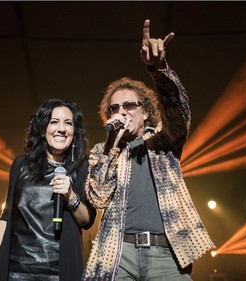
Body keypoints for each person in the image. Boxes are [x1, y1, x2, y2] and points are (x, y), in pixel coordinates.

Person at [82, 19, 215, 281]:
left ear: (145, 112)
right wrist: (111, 145)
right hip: (119, 255)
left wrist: (158, 69)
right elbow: (97, 198)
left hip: (166, 256)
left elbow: (180, 113)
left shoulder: (164, 141)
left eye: (129, 105)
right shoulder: (103, 150)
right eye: (114, 108)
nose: (121, 112)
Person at [0, 99, 96, 281]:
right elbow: (6, 216)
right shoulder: (20, 165)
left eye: (68, 123)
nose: (61, 129)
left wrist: (70, 195)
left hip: (58, 270)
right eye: (54, 122)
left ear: (75, 132)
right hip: (16, 268)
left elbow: (87, 220)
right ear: (43, 129)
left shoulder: (83, 167)